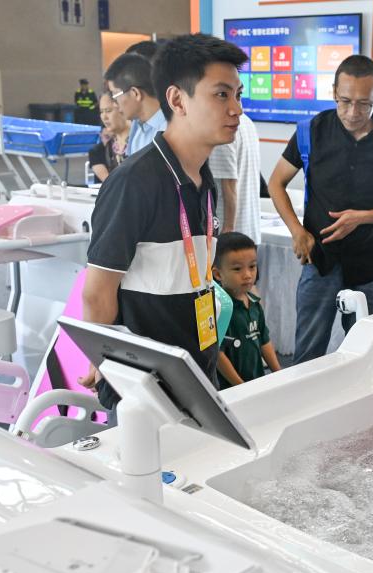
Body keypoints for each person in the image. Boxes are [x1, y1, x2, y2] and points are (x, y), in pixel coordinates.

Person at [81, 33, 248, 415]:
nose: (236, 109)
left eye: (238, 95)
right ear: (177, 100)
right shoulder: (135, 182)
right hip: (144, 392)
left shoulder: (202, 179)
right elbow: (97, 293)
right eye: (221, 95)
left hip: (195, 378)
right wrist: (101, 360)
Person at [268, 55, 373, 363]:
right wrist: (297, 231)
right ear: (334, 91)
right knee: (308, 354)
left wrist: (361, 218)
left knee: (366, 355)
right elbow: (276, 183)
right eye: (345, 101)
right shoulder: (311, 132)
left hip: (367, 262)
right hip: (318, 259)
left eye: (364, 104)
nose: (353, 113)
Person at [213, 232, 282, 387]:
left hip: (256, 382)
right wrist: (240, 385)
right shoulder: (220, 309)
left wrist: (279, 373)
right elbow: (217, 354)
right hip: (230, 389)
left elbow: (264, 341)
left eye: (252, 266)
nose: (247, 275)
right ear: (218, 274)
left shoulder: (255, 304)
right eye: (237, 269)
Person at [208, 112, 261, 242]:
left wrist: (228, 229)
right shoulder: (247, 122)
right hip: (248, 228)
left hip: (228, 234)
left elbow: (229, 186)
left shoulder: (222, 127)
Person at [104, 52, 166, 156]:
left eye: (115, 94)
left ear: (135, 93)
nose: (115, 104)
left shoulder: (171, 130)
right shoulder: (138, 131)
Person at [87, 91, 129, 182]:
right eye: (101, 112)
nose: (104, 117)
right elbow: (110, 184)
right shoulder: (98, 152)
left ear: (122, 108)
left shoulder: (140, 142)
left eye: (108, 111)